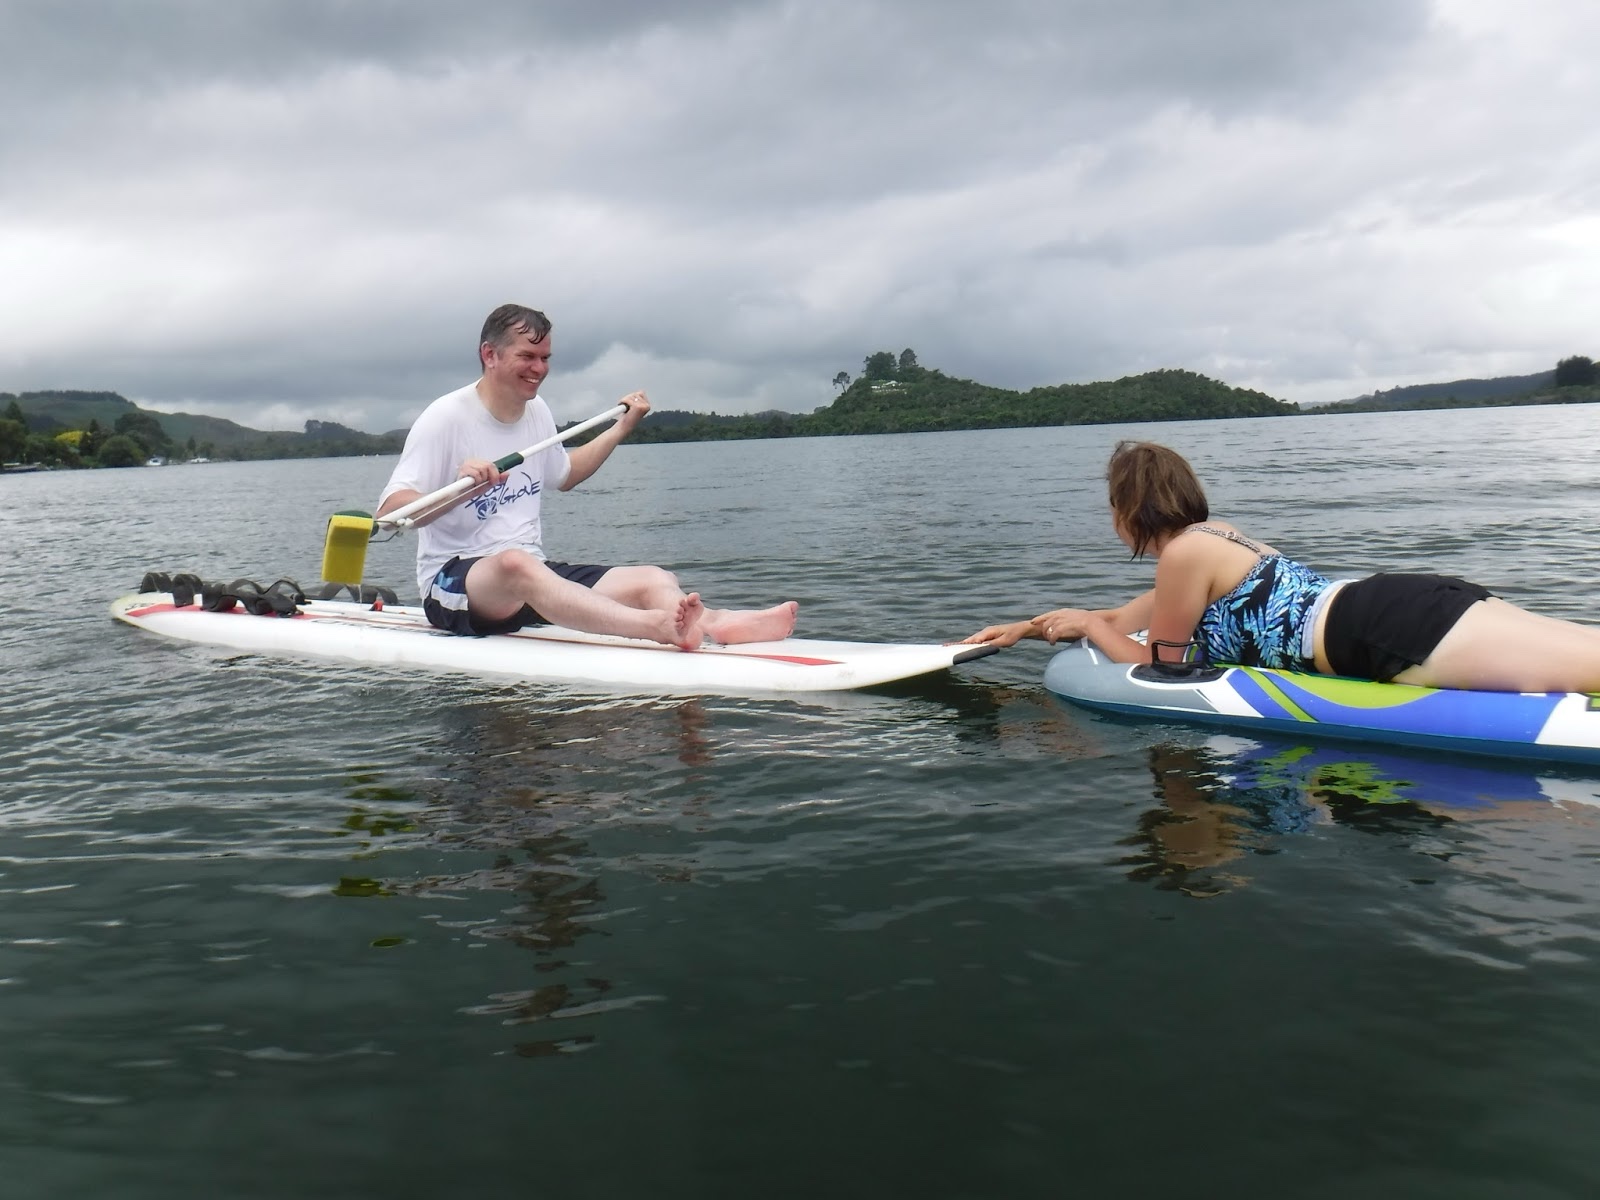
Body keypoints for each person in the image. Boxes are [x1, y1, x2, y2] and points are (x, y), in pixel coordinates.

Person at [963, 439, 1600, 693]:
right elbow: (1121, 616)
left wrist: (1088, 627)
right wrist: (1025, 629)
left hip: (1383, 633)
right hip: (1400, 606)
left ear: (1128, 509)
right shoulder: (1215, 538)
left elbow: (1161, 664)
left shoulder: (1184, 555)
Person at [378, 303, 798, 650]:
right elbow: (390, 514)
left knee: (655, 578)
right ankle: (657, 627)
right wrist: (459, 490)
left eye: (545, 358)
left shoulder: (537, 411)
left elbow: (565, 474)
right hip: (454, 586)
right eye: (527, 356)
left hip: (532, 579)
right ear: (490, 355)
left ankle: (711, 624)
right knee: (515, 564)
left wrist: (621, 428)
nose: (539, 369)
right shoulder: (446, 417)